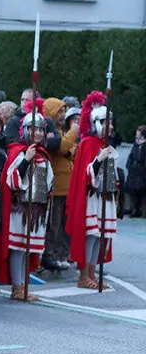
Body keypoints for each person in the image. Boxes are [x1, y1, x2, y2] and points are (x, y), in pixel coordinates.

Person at [0, 110, 53, 300]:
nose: (38, 133)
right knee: (18, 247)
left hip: (36, 210)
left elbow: (47, 182)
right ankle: (17, 287)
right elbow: (11, 180)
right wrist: (26, 160)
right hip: (20, 209)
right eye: (34, 129)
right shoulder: (18, 152)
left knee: (27, 249)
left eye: (41, 129)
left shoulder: (43, 155)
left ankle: (23, 285)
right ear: (24, 130)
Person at [66, 91, 117, 289]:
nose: (110, 127)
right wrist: (99, 159)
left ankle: (93, 274)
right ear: (97, 123)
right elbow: (86, 174)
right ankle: (84, 275)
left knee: (100, 235)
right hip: (91, 198)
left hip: (104, 197)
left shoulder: (105, 144)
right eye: (106, 123)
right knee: (91, 235)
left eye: (110, 123)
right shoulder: (88, 143)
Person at [42, 99, 78, 270]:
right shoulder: (50, 130)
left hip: (67, 187)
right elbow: (62, 148)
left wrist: (69, 148)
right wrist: (73, 133)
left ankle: (64, 254)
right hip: (56, 187)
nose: (63, 115)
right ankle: (52, 255)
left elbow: (71, 150)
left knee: (65, 224)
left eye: (64, 111)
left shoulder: (61, 131)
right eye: (59, 112)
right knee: (54, 224)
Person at [126, 126, 146, 218]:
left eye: (138, 133)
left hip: (142, 170)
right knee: (133, 190)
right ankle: (134, 209)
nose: (136, 135)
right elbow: (131, 156)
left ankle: (142, 210)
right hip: (134, 171)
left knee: (142, 190)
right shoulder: (135, 144)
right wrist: (129, 166)